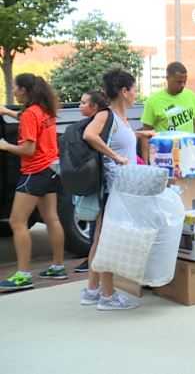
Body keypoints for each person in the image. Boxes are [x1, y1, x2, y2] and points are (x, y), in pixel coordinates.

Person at [80, 69, 154, 310]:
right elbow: (89, 135)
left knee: (101, 239)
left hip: (120, 189)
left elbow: (122, 139)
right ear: (124, 91)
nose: (135, 94)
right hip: (114, 189)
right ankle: (108, 296)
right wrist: (115, 157)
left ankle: (92, 290)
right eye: (133, 90)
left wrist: (141, 135)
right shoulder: (106, 115)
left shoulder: (121, 119)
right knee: (109, 241)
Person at [0, 75, 65, 292]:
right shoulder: (44, 110)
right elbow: (27, 119)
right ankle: (57, 266)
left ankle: (23, 275)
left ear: (25, 90)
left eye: (16, 88)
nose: (15, 92)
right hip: (51, 169)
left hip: (33, 172)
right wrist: (8, 112)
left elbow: (28, 149)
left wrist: (5, 146)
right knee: (51, 218)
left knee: (17, 222)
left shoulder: (30, 114)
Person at [73, 90, 110, 274]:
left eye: (83, 103)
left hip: (93, 179)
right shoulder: (92, 125)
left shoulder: (94, 123)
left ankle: (92, 261)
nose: (79, 106)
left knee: (97, 223)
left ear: (94, 106)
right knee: (97, 224)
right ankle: (93, 262)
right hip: (96, 179)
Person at [140, 61, 195, 160]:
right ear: (168, 78)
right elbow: (145, 134)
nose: (182, 85)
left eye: (184, 82)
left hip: (188, 154)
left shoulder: (191, 96)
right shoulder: (153, 101)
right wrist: (145, 163)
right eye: (178, 82)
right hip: (164, 155)